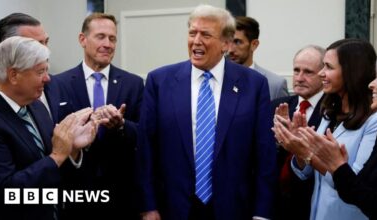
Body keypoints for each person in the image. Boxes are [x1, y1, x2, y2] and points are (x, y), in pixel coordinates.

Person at [136, 4, 276, 220]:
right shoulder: (159, 81)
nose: (196, 41)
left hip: (234, 209)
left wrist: (262, 213)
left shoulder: (254, 85)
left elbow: (264, 154)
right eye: (192, 33)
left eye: (206, 34)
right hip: (172, 208)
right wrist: (148, 206)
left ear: (226, 44)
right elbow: (146, 149)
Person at [273, 39, 377, 220]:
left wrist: (309, 155)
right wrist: (299, 149)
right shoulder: (329, 112)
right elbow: (305, 173)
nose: (321, 73)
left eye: (328, 67)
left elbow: (355, 182)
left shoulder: (376, 120)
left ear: (351, 72)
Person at [0, 36, 99, 220]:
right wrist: (57, 156)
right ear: (13, 75)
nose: (48, 78)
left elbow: (54, 170)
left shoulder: (37, 107)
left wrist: (72, 149)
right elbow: (6, 194)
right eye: (40, 72)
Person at [55, 12, 144, 219]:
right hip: (75, 193)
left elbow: (144, 134)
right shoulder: (58, 84)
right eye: (100, 36)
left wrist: (121, 125)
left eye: (112, 38)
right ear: (82, 39)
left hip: (121, 193)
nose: (108, 44)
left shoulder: (133, 84)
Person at [272, 45, 325, 220]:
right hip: (276, 204)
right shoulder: (276, 106)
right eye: (296, 70)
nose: (299, 78)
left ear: (323, 74)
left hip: (311, 204)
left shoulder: (332, 110)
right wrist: (281, 141)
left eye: (308, 72)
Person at [0, 13, 59, 122]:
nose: (45, 51)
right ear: (9, 46)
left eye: (46, 42)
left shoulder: (56, 84)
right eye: (36, 45)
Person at [228, 16, 288, 100]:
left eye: (237, 42)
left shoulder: (274, 84)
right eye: (227, 41)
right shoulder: (216, 80)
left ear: (254, 45)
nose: (230, 50)